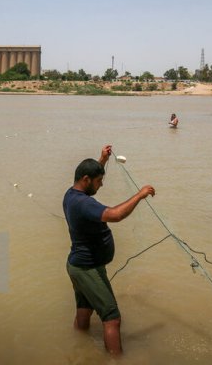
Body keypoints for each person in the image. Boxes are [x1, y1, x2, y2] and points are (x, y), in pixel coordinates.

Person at [63, 144, 155, 356]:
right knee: (112, 317)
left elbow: (90, 178)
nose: (101, 185)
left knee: (84, 313)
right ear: (86, 180)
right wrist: (139, 195)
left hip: (77, 265)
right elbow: (115, 215)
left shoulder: (71, 194)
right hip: (88, 268)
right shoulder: (84, 204)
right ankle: (116, 360)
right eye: (99, 181)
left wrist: (102, 160)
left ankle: (76, 349)